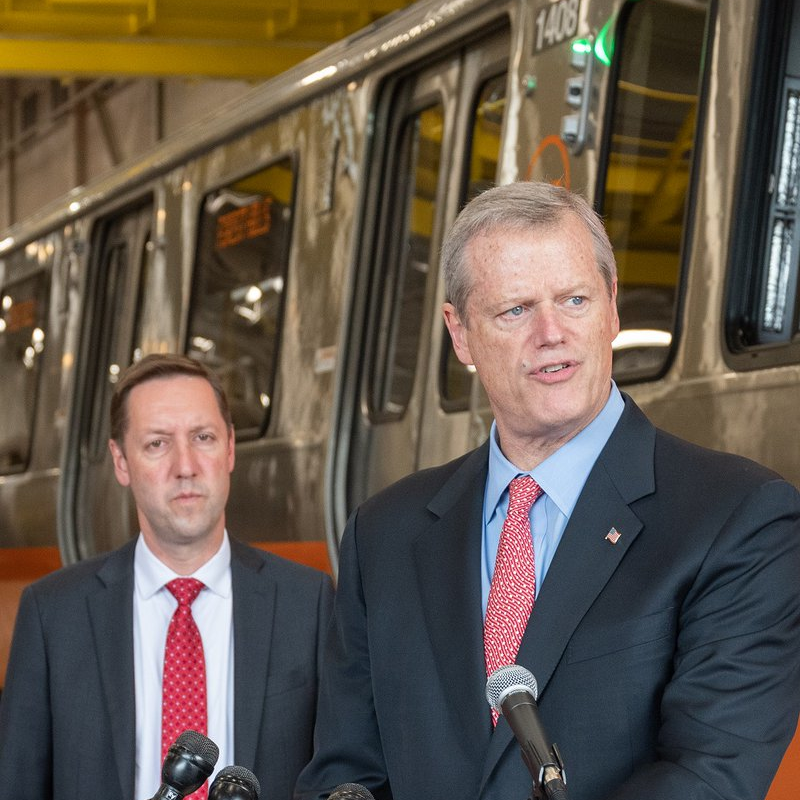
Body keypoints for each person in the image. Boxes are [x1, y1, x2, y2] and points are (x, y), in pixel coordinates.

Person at [295, 181, 800, 800]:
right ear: (460, 334)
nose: (551, 332)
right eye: (515, 310)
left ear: (613, 307)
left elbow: (709, 775)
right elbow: (346, 772)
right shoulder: (384, 533)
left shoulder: (738, 517)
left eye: (575, 299)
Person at [0, 354, 334, 800]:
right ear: (120, 461)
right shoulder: (53, 613)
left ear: (231, 449)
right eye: (157, 443)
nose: (186, 465)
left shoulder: (307, 602)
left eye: (204, 437)